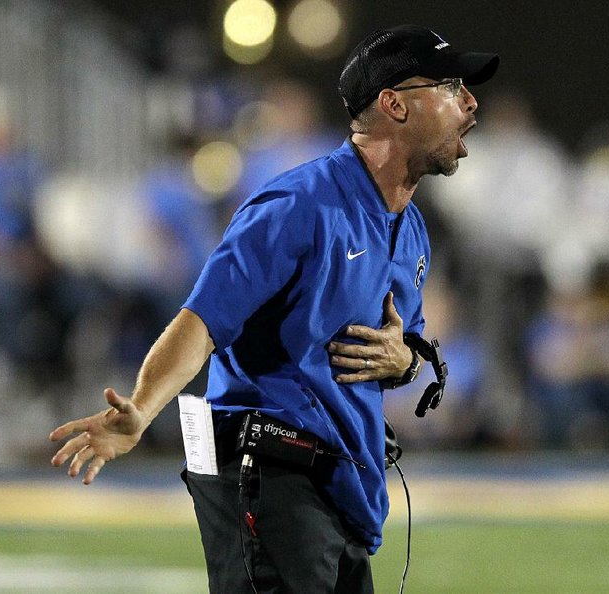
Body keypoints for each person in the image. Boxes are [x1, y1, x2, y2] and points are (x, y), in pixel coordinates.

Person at [49, 25, 498, 593]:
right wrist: (142, 407)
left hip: (342, 480)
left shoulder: (410, 229)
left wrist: (404, 364)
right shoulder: (297, 205)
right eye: (451, 85)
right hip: (269, 470)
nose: (470, 101)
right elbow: (203, 320)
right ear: (394, 105)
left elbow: (402, 346)